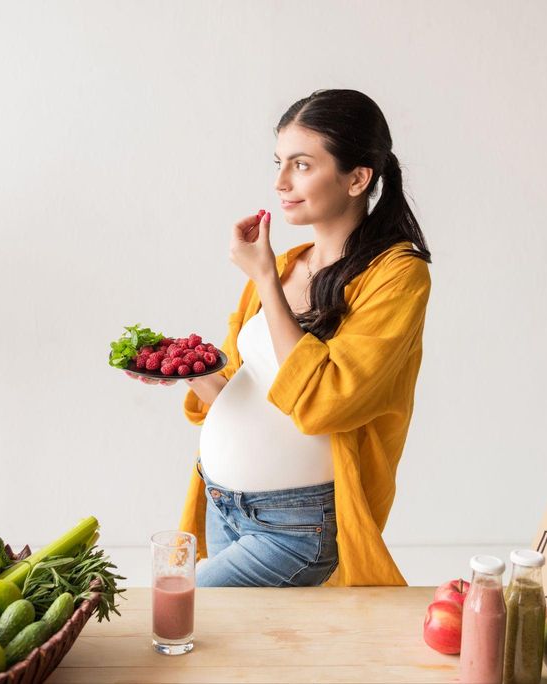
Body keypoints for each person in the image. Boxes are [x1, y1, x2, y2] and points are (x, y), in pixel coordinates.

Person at [178, 89, 432, 587]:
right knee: (232, 661)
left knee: (188, 615)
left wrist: (266, 280)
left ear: (358, 178)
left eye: (301, 165)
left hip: (296, 527)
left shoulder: (398, 276)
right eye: (278, 163)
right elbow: (239, 391)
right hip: (223, 504)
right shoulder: (289, 262)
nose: (280, 183)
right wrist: (186, 370)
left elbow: (326, 402)